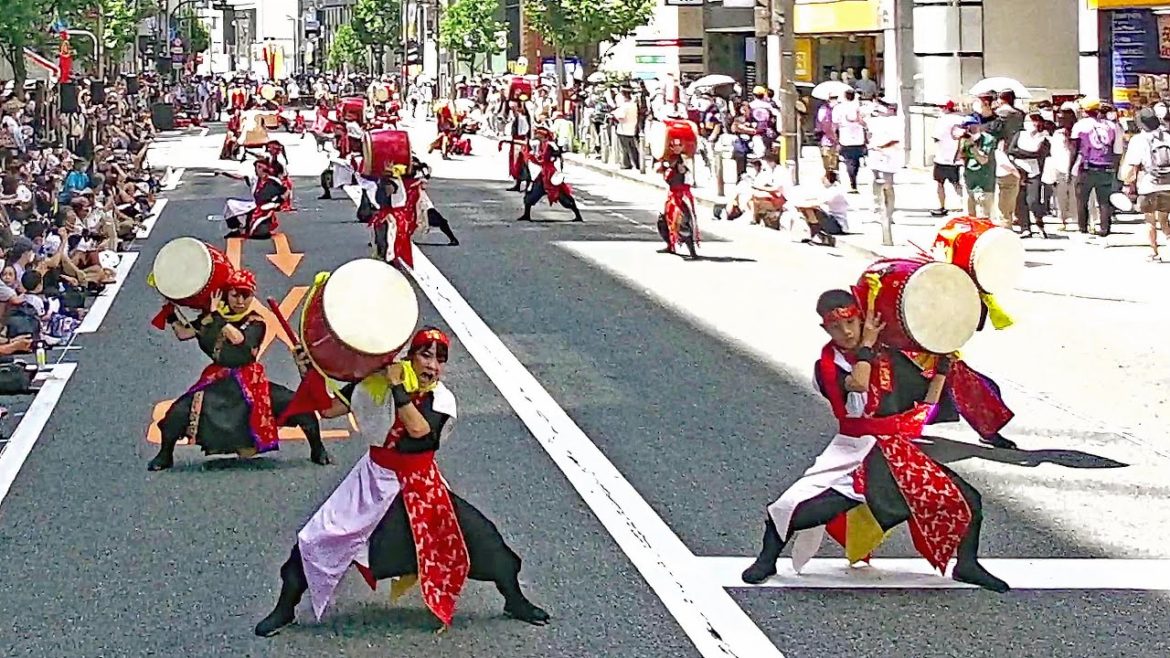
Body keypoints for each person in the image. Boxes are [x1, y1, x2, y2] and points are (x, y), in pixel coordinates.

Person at [254, 327, 550, 637]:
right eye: (425, 355)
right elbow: (328, 410)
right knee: (318, 539)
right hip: (374, 482)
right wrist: (308, 370)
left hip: (423, 488)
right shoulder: (373, 384)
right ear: (408, 357)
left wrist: (397, 387)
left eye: (440, 359)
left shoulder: (441, 399)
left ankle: (514, 600)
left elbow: (420, 433)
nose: (433, 366)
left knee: (483, 539)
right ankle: (285, 609)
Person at [741, 289, 1009, 593]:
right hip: (855, 453)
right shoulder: (827, 367)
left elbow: (925, 403)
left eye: (851, 322)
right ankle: (768, 557)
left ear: (862, 318)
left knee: (965, 497)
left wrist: (942, 369)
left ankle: (967, 564)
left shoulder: (889, 357)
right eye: (836, 327)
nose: (845, 332)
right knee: (802, 507)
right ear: (825, 329)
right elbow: (858, 384)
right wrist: (867, 343)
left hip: (895, 451)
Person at [148, 269, 332, 471]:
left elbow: (238, 339)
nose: (241, 301)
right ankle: (164, 455)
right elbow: (184, 334)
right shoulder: (210, 318)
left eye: (247, 295)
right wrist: (171, 313)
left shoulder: (255, 322)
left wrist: (215, 316)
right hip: (218, 381)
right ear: (226, 294)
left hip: (249, 382)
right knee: (177, 414)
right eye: (235, 294)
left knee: (298, 406)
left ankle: (318, 448)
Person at [516, 126, 583, 223]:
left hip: (550, 174)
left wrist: (534, 156)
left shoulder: (550, 145)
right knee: (531, 194)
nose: (536, 136)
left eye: (538, 134)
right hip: (543, 174)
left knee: (562, 195)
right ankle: (526, 214)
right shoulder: (542, 145)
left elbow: (551, 157)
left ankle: (578, 215)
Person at [655, 136, 698, 258]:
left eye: (679, 145)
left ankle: (692, 250)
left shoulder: (684, 159)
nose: (677, 148)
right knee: (663, 221)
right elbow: (658, 170)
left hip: (681, 195)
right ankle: (670, 245)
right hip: (670, 194)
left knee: (682, 221)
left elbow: (684, 172)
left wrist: (677, 166)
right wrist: (663, 163)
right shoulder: (668, 159)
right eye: (674, 145)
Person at [222, 160, 285, 240]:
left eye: (259, 167)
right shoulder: (255, 179)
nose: (256, 169)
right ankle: (237, 228)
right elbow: (240, 177)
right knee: (230, 204)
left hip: (266, 207)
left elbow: (283, 194)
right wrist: (225, 173)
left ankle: (256, 227)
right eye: (256, 167)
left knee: (257, 232)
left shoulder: (274, 181)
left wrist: (276, 205)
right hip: (254, 204)